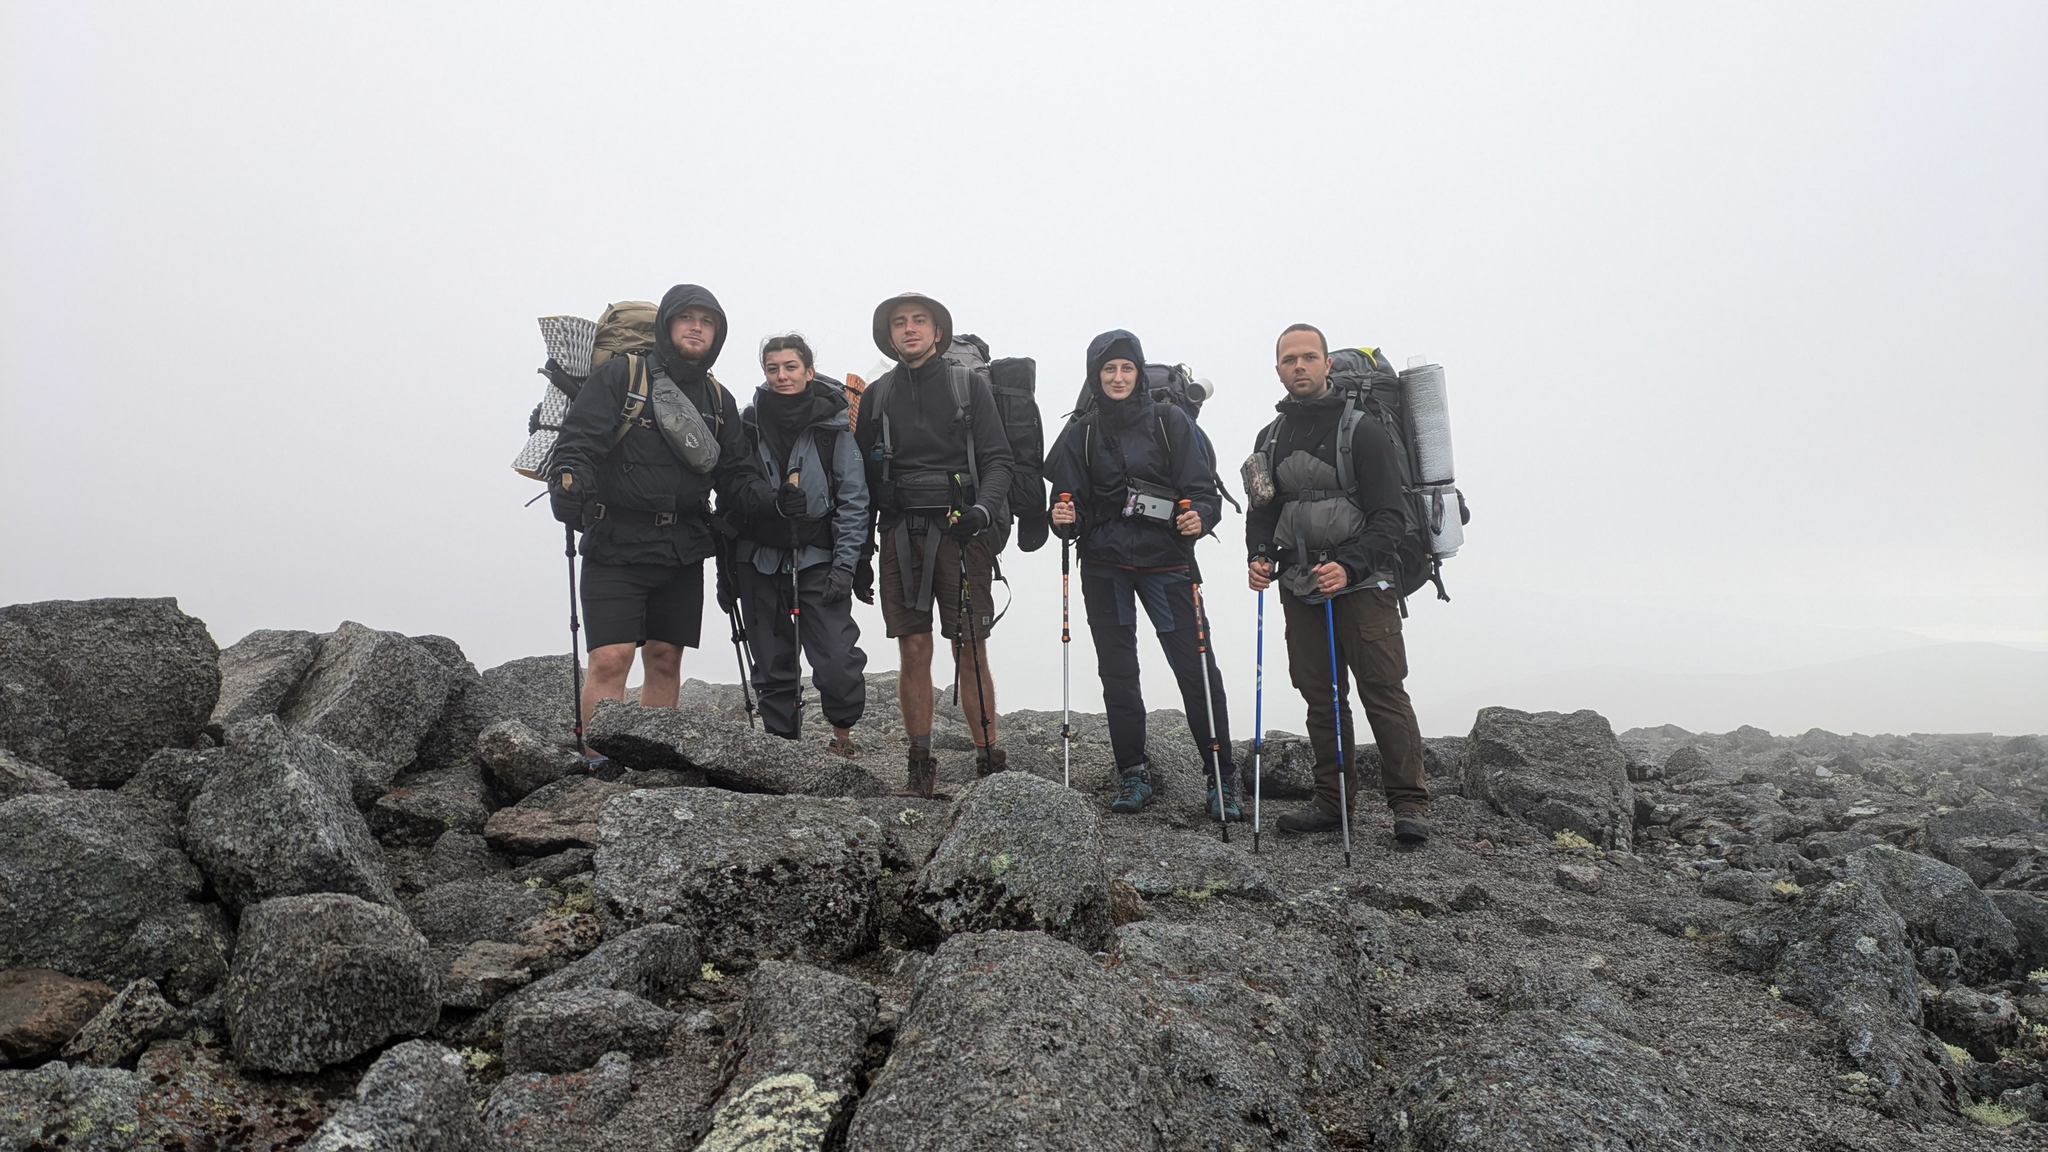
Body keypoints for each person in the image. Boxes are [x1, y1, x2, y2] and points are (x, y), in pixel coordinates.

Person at [547, 285, 785, 753]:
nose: (697, 327)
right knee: (611, 659)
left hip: (681, 545)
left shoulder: (718, 399)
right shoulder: (622, 376)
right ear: (667, 325)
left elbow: (735, 471)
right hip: (615, 540)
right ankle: (597, 763)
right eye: (686, 318)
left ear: (717, 334)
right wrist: (568, 477)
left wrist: (767, 500)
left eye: (707, 321)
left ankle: (650, 760)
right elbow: (580, 440)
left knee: (664, 656)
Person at [1245, 323, 1430, 844]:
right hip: (1301, 585)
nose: (1299, 366)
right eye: (1289, 360)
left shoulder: (1364, 431)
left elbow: (1390, 517)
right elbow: (1262, 512)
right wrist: (1259, 557)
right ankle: (1332, 801)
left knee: (1382, 690)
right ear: (1278, 369)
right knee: (1320, 695)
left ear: (1328, 366)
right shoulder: (1269, 438)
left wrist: (1349, 566)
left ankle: (1410, 805)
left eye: (1309, 357)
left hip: (1365, 585)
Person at [1046, 330, 1238, 818]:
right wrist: (1060, 518)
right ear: (1096, 375)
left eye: (1126, 368)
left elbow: (1203, 490)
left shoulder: (1170, 420)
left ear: (1139, 372)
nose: (1117, 377)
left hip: (1168, 564)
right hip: (1105, 566)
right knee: (1118, 673)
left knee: (1196, 671)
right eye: (1108, 369)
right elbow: (1067, 502)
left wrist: (1201, 517)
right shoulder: (1081, 432)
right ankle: (1133, 774)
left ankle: (1221, 779)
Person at [853, 292, 1014, 798]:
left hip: (962, 532)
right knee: (913, 646)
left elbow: (998, 460)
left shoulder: (968, 386)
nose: (909, 330)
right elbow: (862, 480)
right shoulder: (878, 395)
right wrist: (859, 553)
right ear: (890, 335)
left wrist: (983, 512)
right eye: (899, 323)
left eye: (919, 321)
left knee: (969, 645)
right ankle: (919, 767)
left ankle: (990, 763)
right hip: (899, 532)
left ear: (938, 331)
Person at [730, 334, 870, 753]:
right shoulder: (747, 424)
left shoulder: (834, 427)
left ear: (809, 372)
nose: (781, 376)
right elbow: (734, 488)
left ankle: (841, 738)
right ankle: (782, 748)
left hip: (818, 558)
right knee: (771, 660)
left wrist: (846, 565)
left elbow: (854, 500)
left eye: (791, 367)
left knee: (836, 658)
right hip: (759, 559)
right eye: (773, 368)